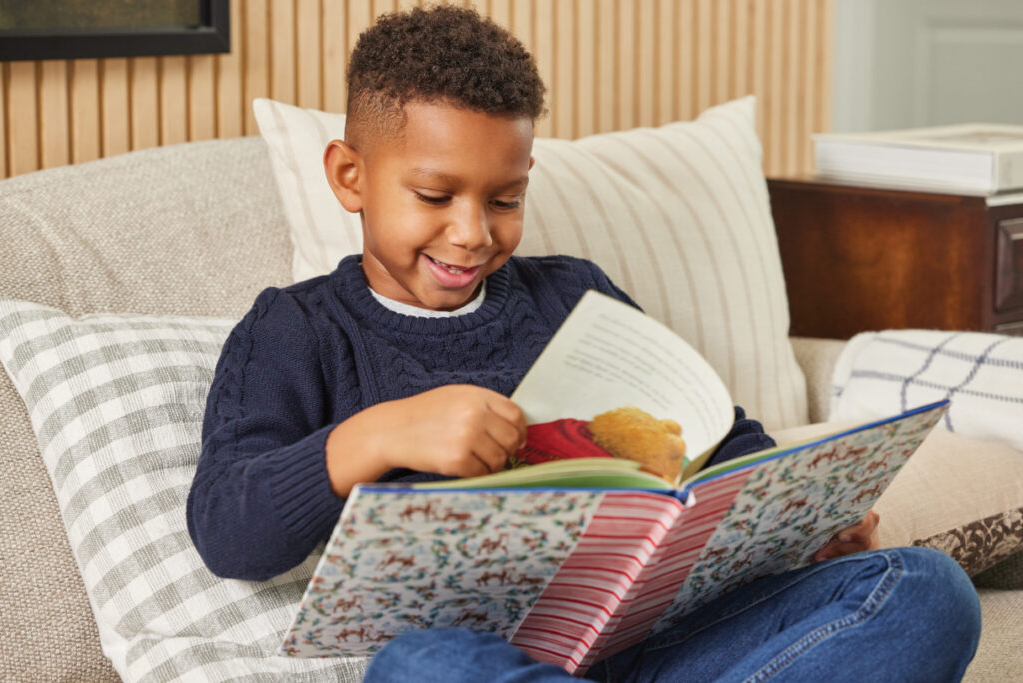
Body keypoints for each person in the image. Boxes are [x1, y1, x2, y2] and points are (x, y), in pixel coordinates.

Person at [187, 5, 981, 681]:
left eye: (505, 198)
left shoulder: (573, 294)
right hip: (486, 657)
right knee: (420, 666)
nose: (471, 232)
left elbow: (726, 446)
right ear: (350, 176)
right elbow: (228, 528)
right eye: (435, 195)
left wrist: (804, 524)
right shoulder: (296, 328)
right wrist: (382, 432)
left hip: (670, 636)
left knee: (920, 587)